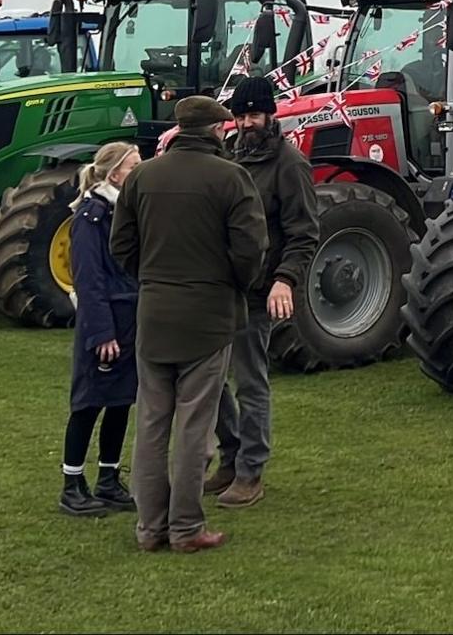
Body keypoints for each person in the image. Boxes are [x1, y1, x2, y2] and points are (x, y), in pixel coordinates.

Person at [109, 96, 267, 554]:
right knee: (195, 427)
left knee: (153, 424)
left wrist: (153, 276)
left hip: (155, 311)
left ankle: (149, 527)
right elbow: (250, 249)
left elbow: (122, 246)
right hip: (208, 314)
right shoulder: (231, 177)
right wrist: (231, 283)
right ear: (217, 130)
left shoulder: (142, 176)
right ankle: (185, 527)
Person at [208, 77, 318, 508]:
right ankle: (230, 456)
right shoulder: (229, 158)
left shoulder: (289, 164)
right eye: (239, 115)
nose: (246, 122)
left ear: (270, 115)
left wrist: (285, 279)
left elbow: (305, 232)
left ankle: (251, 471)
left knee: (251, 383)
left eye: (253, 114)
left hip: (260, 289)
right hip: (221, 287)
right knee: (210, 380)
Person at [61, 141, 140, 518]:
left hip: (129, 318)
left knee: (121, 401)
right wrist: (101, 333)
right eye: (134, 166)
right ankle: (71, 484)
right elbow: (89, 279)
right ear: (114, 175)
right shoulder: (92, 217)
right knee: (89, 403)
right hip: (106, 321)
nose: (141, 172)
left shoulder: (125, 211)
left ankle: (109, 477)